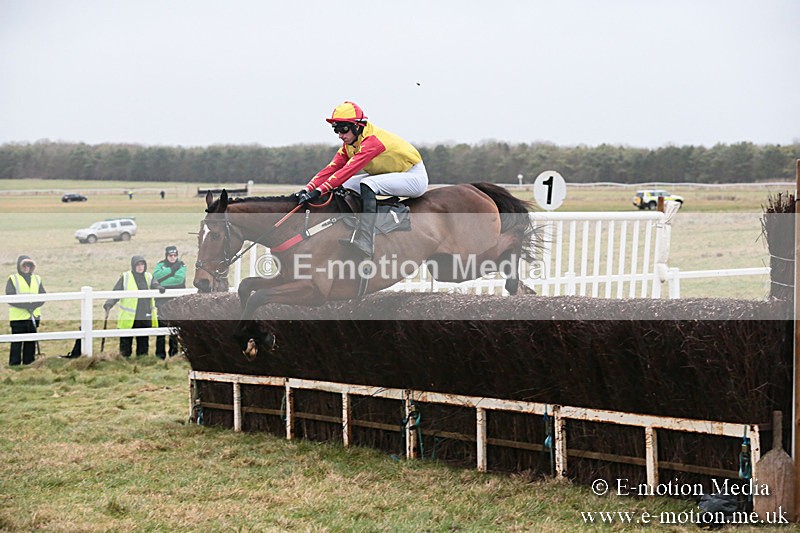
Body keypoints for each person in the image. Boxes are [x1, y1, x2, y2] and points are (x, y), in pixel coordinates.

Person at [295, 101, 429, 257]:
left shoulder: (372, 142)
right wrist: (307, 189)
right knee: (342, 186)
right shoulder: (350, 144)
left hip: (413, 177)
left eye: (343, 129)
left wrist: (319, 191)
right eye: (336, 129)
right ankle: (349, 227)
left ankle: (366, 239)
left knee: (366, 184)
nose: (340, 135)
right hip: (391, 173)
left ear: (357, 126)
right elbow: (331, 169)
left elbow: (347, 170)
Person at [103, 256, 164, 357]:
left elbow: (154, 283)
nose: (140, 267)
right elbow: (116, 292)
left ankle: (142, 359)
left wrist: (158, 287)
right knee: (126, 341)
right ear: (133, 266)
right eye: (138, 265)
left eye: (142, 264)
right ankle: (124, 359)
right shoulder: (125, 277)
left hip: (144, 314)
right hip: (129, 316)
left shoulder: (148, 276)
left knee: (143, 341)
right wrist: (109, 303)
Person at [6, 256, 46, 366]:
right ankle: (14, 364)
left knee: (31, 342)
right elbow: (10, 297)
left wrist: (34, 305)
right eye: (24, 265)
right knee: (17, 343)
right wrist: (26, 305)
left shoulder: (37, 279)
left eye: (29, 265)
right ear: (19, 266)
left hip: (33, 316)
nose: (27, 267)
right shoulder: (13, 279)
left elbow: (43, 295)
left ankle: (29, 363)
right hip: (18, 317)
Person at [152, 245, 186, 359]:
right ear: (166, 256)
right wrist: (172, 270)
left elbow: (178, 279)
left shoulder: (181, 265)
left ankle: (173, 354)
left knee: (174, 330)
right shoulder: (160, 264)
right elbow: (156, 276)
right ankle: (159, 355)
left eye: (175, 255)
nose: (173, 257)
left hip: (175, 303)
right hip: (161, 303)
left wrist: (162, 282)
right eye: (170, 255)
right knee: (161, 329)